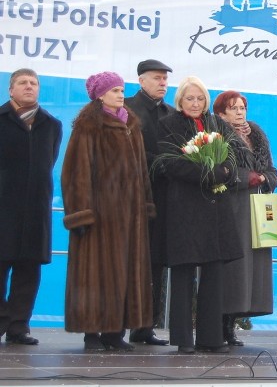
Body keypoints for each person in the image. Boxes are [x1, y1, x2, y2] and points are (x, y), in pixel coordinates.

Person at [61, 71, 155, 351]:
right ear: (100, 95)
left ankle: (115, 333)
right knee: (95, 276)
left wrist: (146, 204)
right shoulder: (89, 126)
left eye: (122, 89)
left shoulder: (132, 125)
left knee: (125, 273)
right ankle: (92, 333)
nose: (120, 94)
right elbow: (76, 171)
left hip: (130, 216)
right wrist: (81, 212)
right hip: (100, 216)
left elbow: (142, 171)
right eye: (114, 90)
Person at [157, 76, 242, 354]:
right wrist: (209, 173)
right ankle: (183, 338)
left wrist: (225, 172)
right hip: (185, 208)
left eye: (200, 98)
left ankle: (211, 337)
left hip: (216, 208)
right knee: (184, 273)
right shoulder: (168, 125)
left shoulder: (217, 124)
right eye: (190, 98)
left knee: (214, 272)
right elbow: (171, 165)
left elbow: (231, 155)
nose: (196, 103)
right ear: (180, 101)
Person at [0, 69, 62, 346]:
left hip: (36, 209)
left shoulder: (51, 124)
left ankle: (18, 327)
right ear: (11, 90)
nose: (29, 87)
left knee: (29, 270)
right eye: (23, 83)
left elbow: (49, 161)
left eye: (33, 83)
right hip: (4, 208)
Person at [214, 90, 277, 347]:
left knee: (254, 268)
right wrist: (247, 177)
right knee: (234, 268)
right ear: (221, 113)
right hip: (233, 207)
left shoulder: (257, 135)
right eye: (234, 108)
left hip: (259, 207)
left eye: (242, 107)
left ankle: (233, 323)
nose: (240, 112)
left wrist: (264, 178)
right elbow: (220, 171)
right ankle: (221, 324)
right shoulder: (217, 136)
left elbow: (271, 170)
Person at [124, 59, 173, 347]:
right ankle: (118, 325)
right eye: (157, 78)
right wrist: (163, 163)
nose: (163, 83)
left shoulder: (170, 113)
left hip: (163, 198)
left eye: (165, 79)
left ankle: (145, 327)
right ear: (142, 81)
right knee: (131, 262)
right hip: (134, 196)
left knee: (155, 264)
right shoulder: (128, 109)